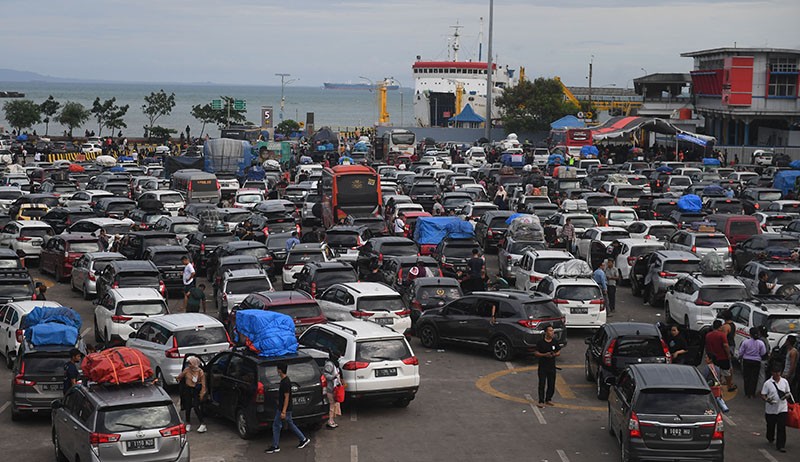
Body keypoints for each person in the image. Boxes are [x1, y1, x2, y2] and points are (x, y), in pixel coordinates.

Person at [265, 363, 311, 454]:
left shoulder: (285, 382)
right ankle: (302, 439)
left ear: (280, 370)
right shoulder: (285, 381)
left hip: (284, 408)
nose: (277, 371)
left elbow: (287, 397)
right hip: (283, 408)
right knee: (287, 424)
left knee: (277, 425)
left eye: (278, 369)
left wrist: (283, 411)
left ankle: (275, 446)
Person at [761, 365, 794, 453]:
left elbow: (788, 392)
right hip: (771, 410)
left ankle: (781, 445)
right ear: (772, 373)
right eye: (775, 373)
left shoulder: (784, 382)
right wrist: (767, 400)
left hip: (782, 408)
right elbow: (763, 395)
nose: (777, 374)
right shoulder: (767, 383)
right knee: (771, 426)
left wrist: (786, 396)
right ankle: (770, 437)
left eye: (779, 372)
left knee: (781, 427)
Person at [175, 356, 207, 432]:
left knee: (196, 406)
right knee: (188, 407)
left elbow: (203, 384)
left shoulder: (200, 372)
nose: (189, 365)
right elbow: (180, 376)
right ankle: (188, 423)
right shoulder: (187, 370)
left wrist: (202, 393)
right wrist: (178, 379)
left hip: (196, 390)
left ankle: (202, 424)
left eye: (190, 363)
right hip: (188, 390)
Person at [534, 324, 560, 408]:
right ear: (546, 332)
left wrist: (554, 354)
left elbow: (558, 351)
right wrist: (544, 355)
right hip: (543, 367)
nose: (552, 332)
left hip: (552, 367)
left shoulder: (555, 342)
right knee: (542, 383)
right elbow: (536, 353)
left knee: (551, 383)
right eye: (550, 331)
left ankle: (548, 399)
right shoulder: (540, 342)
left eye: (552, 331)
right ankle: (541, 400)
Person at [706, 319, 736, 392]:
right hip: (723, 357)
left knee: (715, 373)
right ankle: (729, 386)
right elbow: (725, 345)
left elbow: (707, 346)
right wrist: (728, 354)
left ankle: (717, 386)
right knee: (726, 372)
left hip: (713, 357)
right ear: (720, 326)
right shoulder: (722, 335)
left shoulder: (708, 335)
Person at [739, 327, 768, 398]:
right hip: (756, 361)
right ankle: (752, 393)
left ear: (750, 334)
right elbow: (763, 352)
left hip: (746, 360)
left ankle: (747, 393)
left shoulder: (745, 342)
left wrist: (741, 357)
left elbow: (741, 352)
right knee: (754, 377)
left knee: (747, 377)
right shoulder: (760, 343)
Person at [322, 352, 343, 429]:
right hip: (331, 388)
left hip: (335, 387)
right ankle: (330, 421)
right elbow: (326, 375)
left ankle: (332, 420)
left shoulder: (334, 364)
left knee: (334, 405)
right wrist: (333, 377)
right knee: (332, 405)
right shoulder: (329, 365)